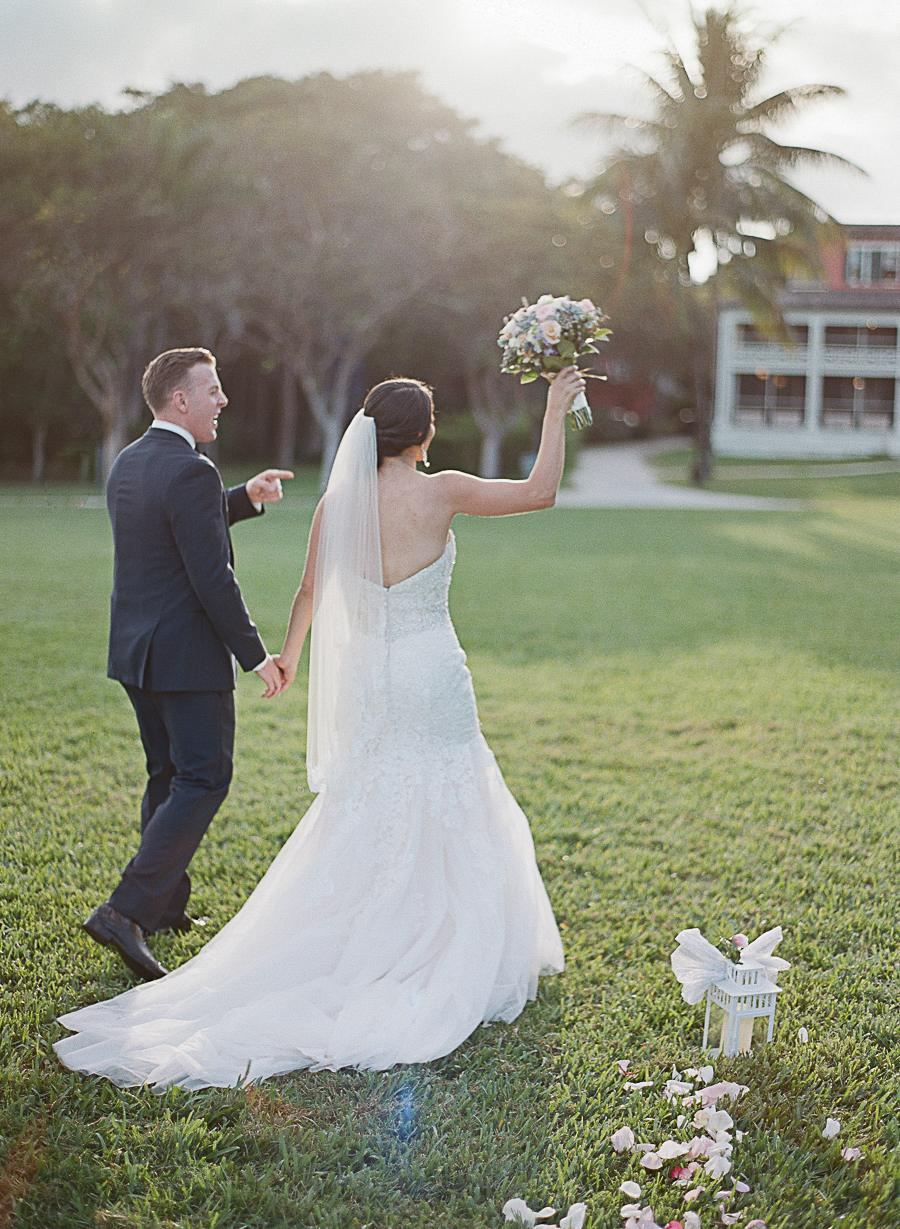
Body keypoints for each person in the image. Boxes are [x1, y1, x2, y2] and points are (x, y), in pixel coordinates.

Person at [54, 366, 585, 1088]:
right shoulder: (442, 489)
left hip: (371, 681)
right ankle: (442, 941)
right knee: (452, 790)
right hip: (431, 675)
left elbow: (308, 591)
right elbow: (541, 492)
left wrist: (289, 659)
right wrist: (554, 408)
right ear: (421, 434)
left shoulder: (337, 503)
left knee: (369, 801)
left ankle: (347, 932)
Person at [81, 348, 291, 982]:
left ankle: (166, 905)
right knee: (203, 778)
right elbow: (211, 577)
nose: (222, 400)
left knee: (168, 774)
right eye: (214, 390)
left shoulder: (131, 462)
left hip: (136, 652)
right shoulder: (190, 470)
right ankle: (125, 911)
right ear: (181, 400)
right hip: (186, 657)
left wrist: (243, 498)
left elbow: (175, 521)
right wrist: (258, 657)